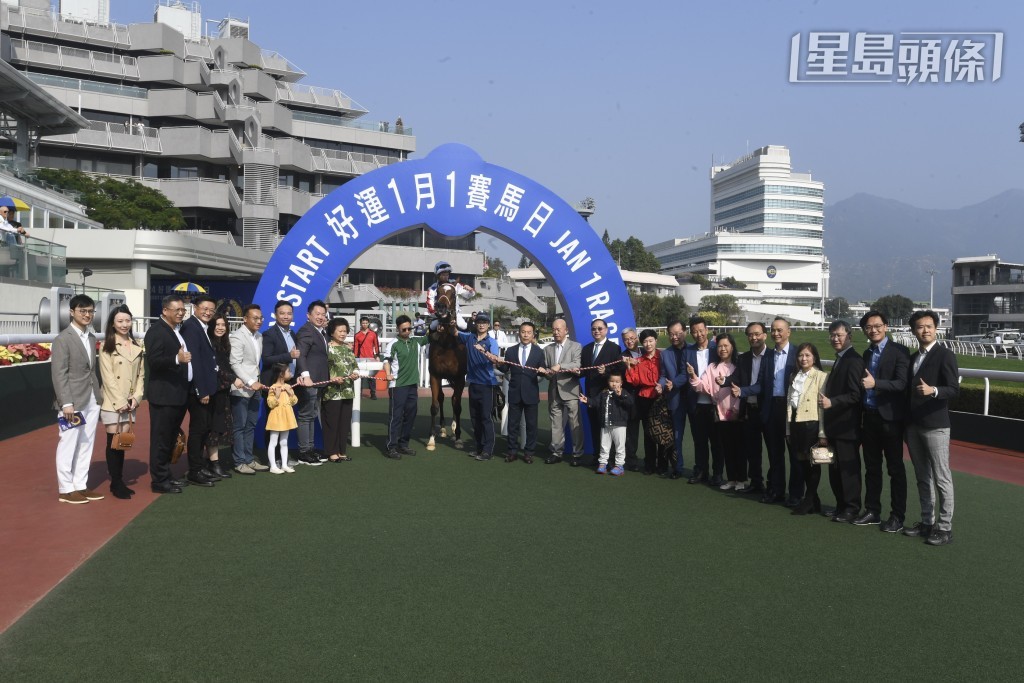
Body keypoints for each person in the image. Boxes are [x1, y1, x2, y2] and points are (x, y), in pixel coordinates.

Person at [903, 310, 959, 546]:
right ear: (914, 331)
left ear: (936, 329)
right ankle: (927, 522)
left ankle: (945, 528)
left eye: (929, 326)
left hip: (936, 425)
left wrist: (933, 390)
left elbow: (953, 389)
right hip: (913, 426)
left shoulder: (945, 355)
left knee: (941, 477)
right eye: (920, 327)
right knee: (922, 476)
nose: (924, 330)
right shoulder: (913, 358)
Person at [733, 317, 799, 505]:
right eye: (773, 330)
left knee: (795, 455)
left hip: (792, 409)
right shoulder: (768, 356)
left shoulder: (798, 353)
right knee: (775, 454)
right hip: (772, 409)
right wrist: (743, 391)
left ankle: (796, 495)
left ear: (788, 332)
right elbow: (761, 384)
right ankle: (776, 490)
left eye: (780, 330)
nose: (776, 333)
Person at [857, 310, 911, 531]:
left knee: (895, 469)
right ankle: (872, 510)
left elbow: (901, 384)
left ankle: (897, 516)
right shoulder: (866, 353)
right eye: (869, 327)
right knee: (871, 467)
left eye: (877, 326)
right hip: (869, 417)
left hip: (890, 419)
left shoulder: (899, 351)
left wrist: (876, 384)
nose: (874, 330)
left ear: (886, 326)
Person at [51, 294, 104, 504]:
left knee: (86, 442)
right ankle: (65, 489)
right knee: (68, 442)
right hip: (72, 401)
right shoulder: (63, 339)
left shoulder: (90, 337)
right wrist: (66, 403)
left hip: (91, 399)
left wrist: (98, 396)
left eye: (90, 311)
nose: (87, 315)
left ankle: (80, 485)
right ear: (72, 312)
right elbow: (59, 374)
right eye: (83, 311)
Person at [144, 294, 192, 494]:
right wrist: (176, 359)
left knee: (170, 438)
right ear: (165, 311)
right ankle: (159, 481)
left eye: (183, 310)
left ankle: (167, 475)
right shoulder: (156, 331)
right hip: (164, 396)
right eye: (177, 310)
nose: (181, 313)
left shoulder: (175, 330)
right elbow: (154, 362)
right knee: (161, 440)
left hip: (177, 394)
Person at [818, 321, 865, 523]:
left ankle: (851, 508)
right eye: (832, 335)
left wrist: (832, 402)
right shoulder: (840, 358)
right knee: (835, 469)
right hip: (835, 425)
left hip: (848, 426)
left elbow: (856, 395)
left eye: (839, 335)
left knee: (848, 470)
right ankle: (840, 506)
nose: (835, 338)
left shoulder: (854, 360)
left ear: (849, 336)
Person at [98, 304, 145, 499]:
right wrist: (120, 402)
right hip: (113, 402)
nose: (125, 324)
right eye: (120, 321)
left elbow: (141, 375)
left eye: (127, 320)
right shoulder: (107, 346)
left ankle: (119, 479)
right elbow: (107, 377)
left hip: (130, 401)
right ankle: (115, 482)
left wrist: (137, 397)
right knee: (113, 441)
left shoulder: (137, 345)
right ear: (112, 324)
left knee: (123, 442)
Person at [687, 333, 742, 490]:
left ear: (732, 347)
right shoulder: (712, 367)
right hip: (718, 413)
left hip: (736, 414)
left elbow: (742, 389)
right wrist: (693, 375)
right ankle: (722, 476)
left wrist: (736, 409)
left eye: (726, 346)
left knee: (736, 448)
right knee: (720, 445)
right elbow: (703, 387)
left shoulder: (739, 365)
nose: (722, 349)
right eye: (720, 346)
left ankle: (739, 479)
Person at [179, 295, 220, 487]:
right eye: (204, 308)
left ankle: (199, 466)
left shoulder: (202, 327)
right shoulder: (191, 327)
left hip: (207, 388)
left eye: (211, 310)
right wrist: (201, 390)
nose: (208, 312)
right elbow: (194, 361)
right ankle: (194, 470)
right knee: (197, 430)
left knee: (204, 429)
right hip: (198, 391)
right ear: (195, 308)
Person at [786, 343, 828, 516]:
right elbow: (789, 404)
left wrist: (822, 433)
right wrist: (788, 429)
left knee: (812, 462)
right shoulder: (794, 375)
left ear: (814, 358)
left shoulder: (821, 376)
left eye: (807, 355)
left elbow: (822, 408)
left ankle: (809, 499)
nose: (803, 359)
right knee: (800, 462)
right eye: (800, 355)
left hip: (811, 423)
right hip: (796, 423)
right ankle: (814, 500)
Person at [624, 329, 672, 475]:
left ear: (656, 341)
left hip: (661, 398)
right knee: (648, 433)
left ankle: (663, 465)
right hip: (644, 398)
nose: (648, 344)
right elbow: (635, 381)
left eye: (651, 341)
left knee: (662, 431)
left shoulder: (663, 357)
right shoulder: (639, 360)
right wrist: (629, 367)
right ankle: (649, 464)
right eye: (645, 341)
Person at [229, 304, 269, 475]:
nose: (259, 321)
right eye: (255, 318)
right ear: (245, 319)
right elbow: (235, 363)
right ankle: (239, 462)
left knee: (250, 425)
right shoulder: (237, 337)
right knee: (239, 426)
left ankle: (249, 459)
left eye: (261, 318)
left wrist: (256, 382)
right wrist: (251, 381)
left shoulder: (259, 336)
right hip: (241, 388)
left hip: (255, 387)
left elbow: (255, 363)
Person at [499, 321, 546, 463]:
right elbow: (505, 369)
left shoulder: (539, 352)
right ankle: (512, 452)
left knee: (532, 426)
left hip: (531, 394)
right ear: (519, 333)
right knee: (512, 425)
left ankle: (529, 453)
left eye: (529, 332)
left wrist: (543, 371)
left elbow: (542, 369)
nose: (526, 335)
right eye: (523, 332)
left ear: (533, 334)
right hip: (515, 393)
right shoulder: (511, 351)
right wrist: (497, 363)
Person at [384, 314, 429, 459]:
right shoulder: (393, 344)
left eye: (409, 328)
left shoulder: (415, 341)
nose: (407, 331)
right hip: (398, 386)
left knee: (410, 416)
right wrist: (387, 374)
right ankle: (391, 447)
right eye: (404, 329)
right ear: (398, 329)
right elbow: (386, 361)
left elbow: (431, 336)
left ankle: (403, 444)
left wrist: (438, 322)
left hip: (412, 386)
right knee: (396, 417)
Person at [683, 317, 721, 485]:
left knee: (716, 442)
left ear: (707, 330)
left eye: (701, 330)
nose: (698, 334)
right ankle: (701, 471)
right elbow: (684, 375)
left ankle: (717, 473)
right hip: (696, 404)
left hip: (715, 404)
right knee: (699, 441)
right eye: (695, 332)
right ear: (691, 333)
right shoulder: (688, 351)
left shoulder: (716, 349)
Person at [579, 317, 622, 465]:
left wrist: (606, 372)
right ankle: (597, 456)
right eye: (594, 329)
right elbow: (584, 370)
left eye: (600, 328)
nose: (596, 331)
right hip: (591, 394)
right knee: (594, 426)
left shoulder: (614, 348)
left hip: (607, 394)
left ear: (606, 330)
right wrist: (576, 372)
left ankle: (609, 459)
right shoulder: (586, 349)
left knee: (608, 428)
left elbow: (618, 371)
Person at [732, 322, 768, 494]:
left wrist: (743, 391)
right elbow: (735, 378)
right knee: (753, 450)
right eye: (750, 334)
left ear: (764, 335)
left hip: (767, 410)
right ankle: (756, 482)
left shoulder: (772, 356)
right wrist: (724, 381)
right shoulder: (743, 358)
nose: (754, 337)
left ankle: (775, 486)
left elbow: (763, 385)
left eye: (757, 334)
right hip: (750, 409)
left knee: (774, 451)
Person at [541, 318, 583, 466]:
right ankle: (556, 452)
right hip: (554, 391)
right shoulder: (547, 349)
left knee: (575, 423)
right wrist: (545, 372)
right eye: (553, 329)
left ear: (566, 330)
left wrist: (560, 365)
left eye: (558, 329)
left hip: (571, 391)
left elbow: (577, 364)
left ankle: (577, 454)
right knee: (556, 424)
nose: (556, 332)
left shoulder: (576, 346)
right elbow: (548, 371)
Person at [460, 312, 501, 461]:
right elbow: (454, 332)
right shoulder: (469, 337)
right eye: (479, 322)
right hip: (473, 384)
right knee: (474, 418)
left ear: (488, 325)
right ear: (475, 324)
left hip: (487, 385)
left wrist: (483, 351)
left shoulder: (491, 342)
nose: (481, 324)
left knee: (485, 417)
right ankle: (479, 447)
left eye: (484, 322)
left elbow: (495, 360)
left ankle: (487, 450)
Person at [295, 300, 330, 465]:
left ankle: (310, 448)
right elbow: (301, 355)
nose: (321, 317)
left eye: (323, 314)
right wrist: (305, 375)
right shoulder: (306, 330)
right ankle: (304, 452)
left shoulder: (321, 332)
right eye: (317, 314)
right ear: (308, 315)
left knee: (312, 415)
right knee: (305, 416)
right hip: (309, 382)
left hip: (318, 382)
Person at [581, 371, 634, 476]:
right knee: (604, 446)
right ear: (608, 382)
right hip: (605, 425)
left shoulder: (624, 392)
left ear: (621, 383)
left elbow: (630, 402)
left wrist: (621, 395)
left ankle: (619, 466)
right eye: (612, 381)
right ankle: (602, 464)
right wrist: (587, 400)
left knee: (620, 447)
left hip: (619, 425)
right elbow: (595, 402)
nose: (614, 384)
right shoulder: (603, 393)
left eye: (617, 382)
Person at [205, 313, 237, 479]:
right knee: (213, 428)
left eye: (223, 325)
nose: (220, 328)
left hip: (224, 392)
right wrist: (233, 378)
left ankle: (212, 461)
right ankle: (213, 463)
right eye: (217, 324)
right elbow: (216, 368)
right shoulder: (209, 344)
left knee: (220, 427)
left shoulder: (224, 344)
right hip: (212, 392)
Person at [323, 317, 360, 463]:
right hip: (332, 391)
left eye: (345, 331)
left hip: (347, 390)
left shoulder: (347, 348)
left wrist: (355, 373)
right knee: (332, 422)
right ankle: (332, 452)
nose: (343, 334)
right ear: (332, 332)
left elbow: (354, 365)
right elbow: (323, 368)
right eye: (340, 331)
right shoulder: (327, 348)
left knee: (344, 422)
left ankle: (341, 451)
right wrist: (332, 378)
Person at [658, 320, 689, 479]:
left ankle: (702, 470)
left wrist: (674, 383)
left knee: (701, 438)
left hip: (696, 399)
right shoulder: (665, 353)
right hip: (675, 400)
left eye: (678, 333)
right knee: (677, 436)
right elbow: (663, 375)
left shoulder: (693, 349)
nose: (674, 337)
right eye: (671, 334)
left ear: (685, 332)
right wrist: (661, 385)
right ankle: (678, 467)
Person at [265, 363, 299, 474]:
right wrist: (277, 395)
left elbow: (294, 401)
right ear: (281, 374)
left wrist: (290, 394)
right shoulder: (273, 387)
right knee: (273, 442)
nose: (290, 373)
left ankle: (284, 465)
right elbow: (270, 404)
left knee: (284, 442)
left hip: (286, 418)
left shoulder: (288, 386)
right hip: (276, 418)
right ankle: (273, 466)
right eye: (288, 371)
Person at [426, 260, 475, 331]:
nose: (446, 277)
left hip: (454, 314)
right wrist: (437, 313)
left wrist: (470, 290)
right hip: (439, 314)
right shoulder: (432, 288)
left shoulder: (455, 285)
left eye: (447, 275)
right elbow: (430, 304)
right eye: (443, 275)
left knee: (463, 326)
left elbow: (468, 295)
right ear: (438, 276)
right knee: (432, 327)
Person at [620, 327, 643, 472]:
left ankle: (652, 461)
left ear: (637, 338)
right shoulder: (621, 357)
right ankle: (631, 460)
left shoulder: (646, 351)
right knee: (631, 432)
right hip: (631, 399)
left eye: (632, 338)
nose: (630, 341)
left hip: (648, 397)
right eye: (626, 339)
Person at [354, 316, 381, 399]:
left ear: (368, 323)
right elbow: (355, 347)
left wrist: (377, 356)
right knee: (360, 377)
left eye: (366, 323)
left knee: (371, 377)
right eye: (363, 323)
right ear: (360, 324)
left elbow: (376, 345)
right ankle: (359, 394)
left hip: (371, 358)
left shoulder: (373, 334)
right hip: (361, 358)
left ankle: (373, 394)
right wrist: (355, 357)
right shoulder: (357, 335)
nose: (364, 324)